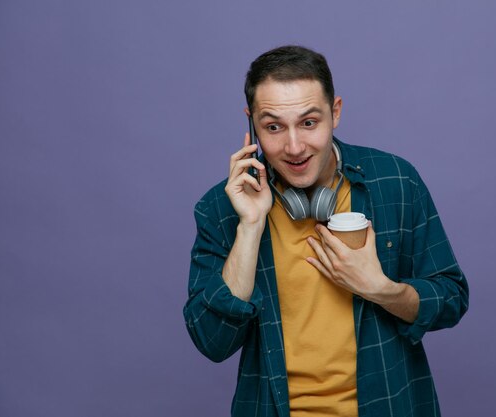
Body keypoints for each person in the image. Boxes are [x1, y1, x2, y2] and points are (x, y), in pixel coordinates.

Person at [183, 45, 469, 417]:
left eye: (309, 122)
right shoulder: (222, 208)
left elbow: (451, 298)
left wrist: (382, 289)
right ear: (251, 123)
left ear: (335, 113)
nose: (295, 146)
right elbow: (212, 342)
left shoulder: (396, 181)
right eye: (273, 127)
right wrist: (250, 227)